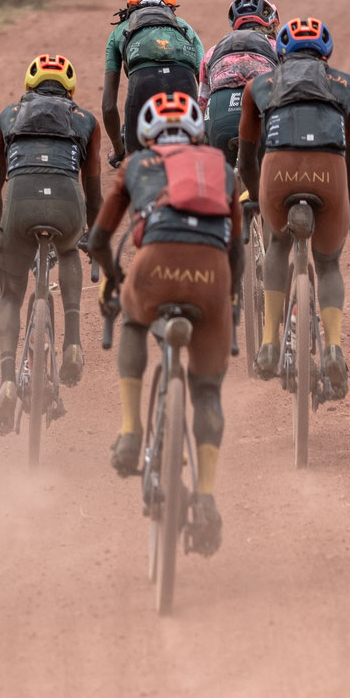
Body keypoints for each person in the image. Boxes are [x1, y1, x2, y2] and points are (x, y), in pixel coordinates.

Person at [85, 92, 244, 556]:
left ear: (149, 133)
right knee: (208, 392)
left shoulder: (135, 164)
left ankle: (132, 433)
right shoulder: (222, 168)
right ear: (197, 132)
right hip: (211, 273)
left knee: (134, 324)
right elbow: (235, 247)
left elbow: (99, 238)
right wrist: (228, 301)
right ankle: (208, 496)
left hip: (153, 267)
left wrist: (114, 281)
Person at [235, 17, 350, 395]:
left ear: (281, 52)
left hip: (278, 172)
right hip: (331, 173)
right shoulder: (348, 86)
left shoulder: (258, 85)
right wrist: (347, 193)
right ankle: (335, 347)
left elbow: (245, 160)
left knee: (277, 244)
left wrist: (259, 196)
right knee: (328, 263)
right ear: (326, 52)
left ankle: (270, 343)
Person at [0, 53, 105, 435]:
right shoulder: (86, 121)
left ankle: (6, 378)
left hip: (19, 206)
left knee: (10, 296)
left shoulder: (7, 117)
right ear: (70, 89)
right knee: (69, 249)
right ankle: (72, 343)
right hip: (67, 206)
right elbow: (95, 194)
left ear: (29, 86)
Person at [102, 0, 203, 164]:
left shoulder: (119, 31)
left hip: (143, 83)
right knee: (190, 159)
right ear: (171, 6)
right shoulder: (185, 28)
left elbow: (108, 106)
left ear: (132, 4)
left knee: (135, 166)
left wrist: (119, 150)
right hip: (184, 83)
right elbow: (206, 85)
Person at [199, 0, 279, 166]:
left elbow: (202, 102)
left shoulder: (213, 51)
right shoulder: (278, 47)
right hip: (260, 112)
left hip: (219, 113)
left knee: (220, 178)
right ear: (271, 23)